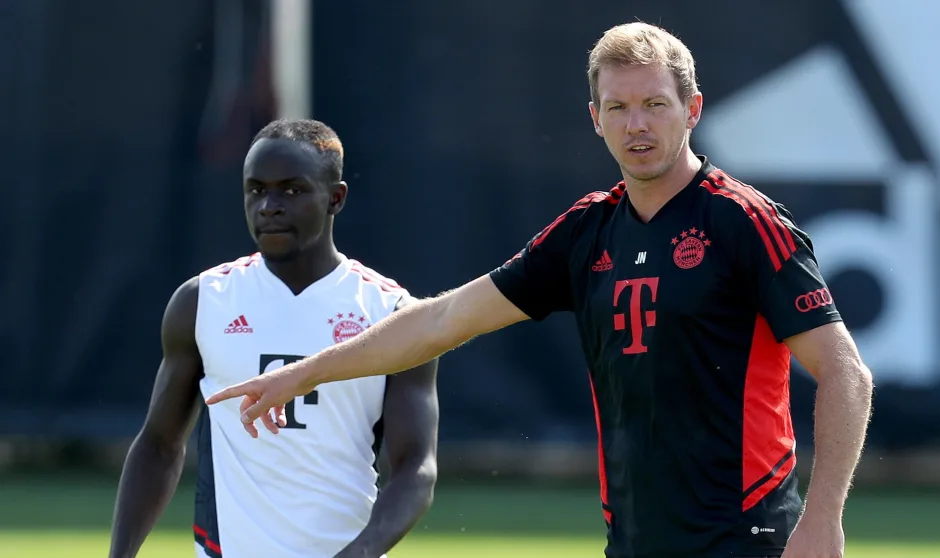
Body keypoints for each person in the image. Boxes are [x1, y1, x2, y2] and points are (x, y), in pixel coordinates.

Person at [206, 23, 873, 558]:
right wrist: (303, 374)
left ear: (692, 109)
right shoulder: (588, 231)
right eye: (618, 107)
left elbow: (846, 374)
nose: (636, 125)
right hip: (635, 542)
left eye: (654, 105)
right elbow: (442, 321)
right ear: (594, 118)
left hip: (748, 540)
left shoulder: (743, 222)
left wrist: (821, 522)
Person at [108, 119, 440, 558]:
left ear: (335, 198)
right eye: (256, 189)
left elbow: (416, 468)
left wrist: (360, 553)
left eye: (292, 190)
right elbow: (158, 445)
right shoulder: (203, 301)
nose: (269, 205)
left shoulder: (392, 313)